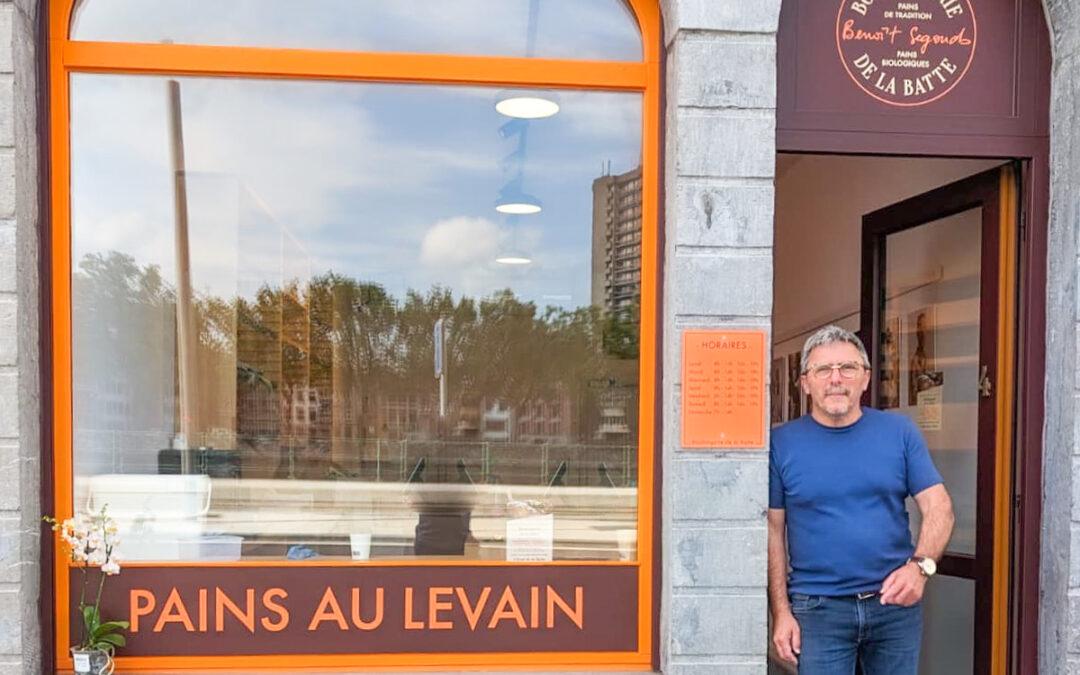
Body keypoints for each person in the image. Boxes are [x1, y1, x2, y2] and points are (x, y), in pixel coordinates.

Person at [768, 325, 954, 674]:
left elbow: (940, 507)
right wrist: (780, 613)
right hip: (818, 609)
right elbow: (772, 532)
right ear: (806, 382)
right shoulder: (781, 445)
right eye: (823, 370)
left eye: (847, 368)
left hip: (893, 607)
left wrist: (920, 568)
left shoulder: (899, 433)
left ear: (865, 378)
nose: (836, 379)